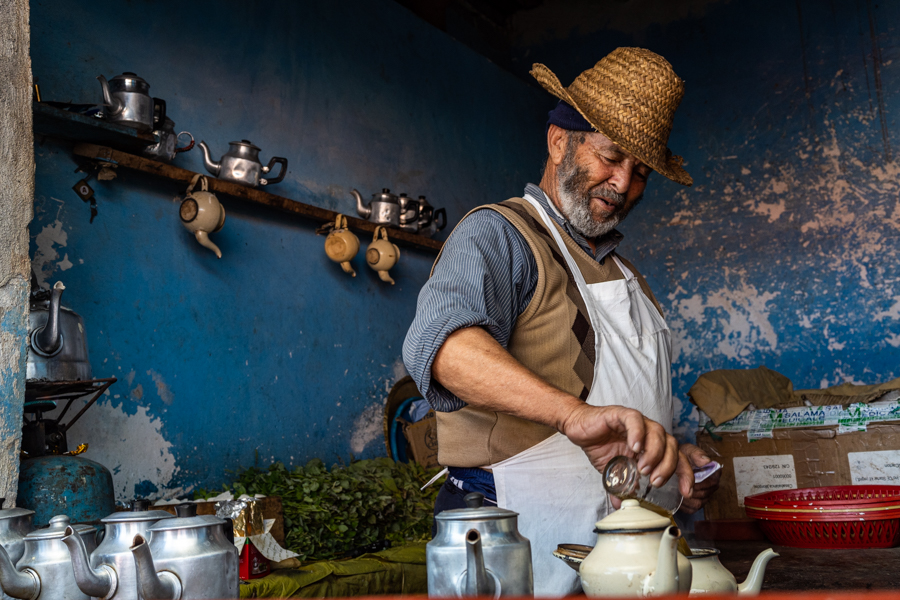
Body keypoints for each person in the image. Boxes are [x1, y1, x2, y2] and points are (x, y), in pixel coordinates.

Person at [403, 47, 720, 595]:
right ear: (558, 141)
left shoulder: (627, 276)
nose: (623, 183)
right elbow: (444, 349)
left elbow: (625, 413)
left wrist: (666, 459)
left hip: (625, 554)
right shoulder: (499, 235)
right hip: (510, 540)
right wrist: (571, 414)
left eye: (640, 172)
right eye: (611, 156)